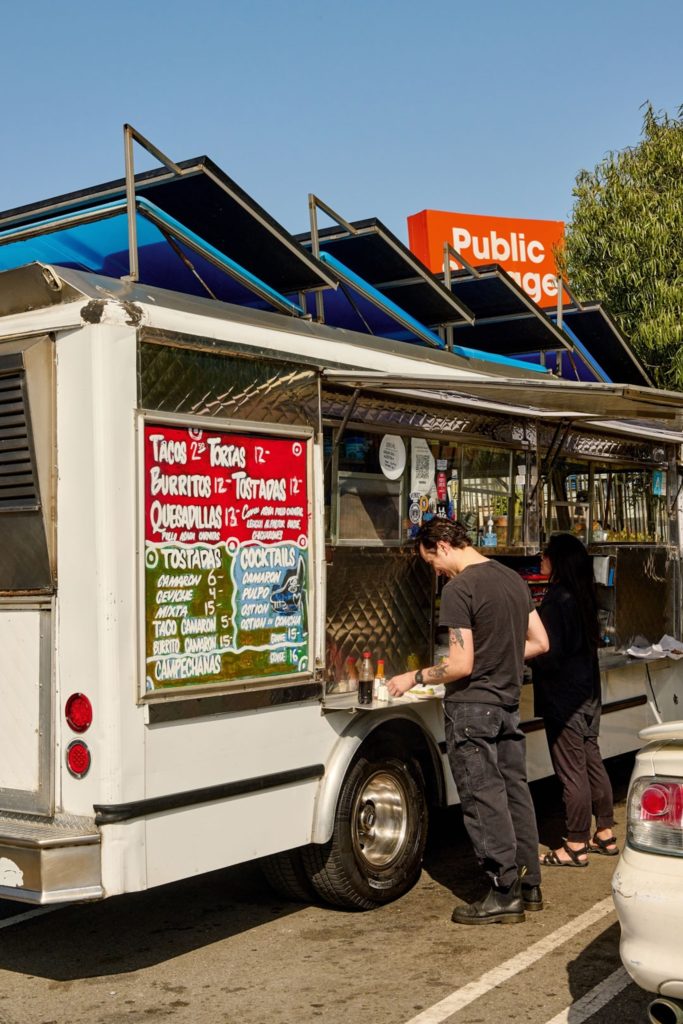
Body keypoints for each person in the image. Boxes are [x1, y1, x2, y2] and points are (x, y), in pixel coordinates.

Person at [388, 518, 549, 925]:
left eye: (431, 562)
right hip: (508, 704)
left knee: (483, 798)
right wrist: (502, 658)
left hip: (472, 709)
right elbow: (540, 642)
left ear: (442, 546)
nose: (435, 571)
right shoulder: (513, 580)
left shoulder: (460, 588)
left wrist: (414, 677)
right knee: (514, 791)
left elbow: (459, 665)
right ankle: (529, 886)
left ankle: (503, 892)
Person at [530, 533, 618, 867]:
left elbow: (548, 653)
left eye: (545, 554)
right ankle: (605, 832)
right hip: (587, 692)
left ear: (557, 560)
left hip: (564, 697)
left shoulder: (556, 600)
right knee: (591, 761)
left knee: (571, 771)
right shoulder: (583, 595)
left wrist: (528, 656)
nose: (541, 559)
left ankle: (576, 843)